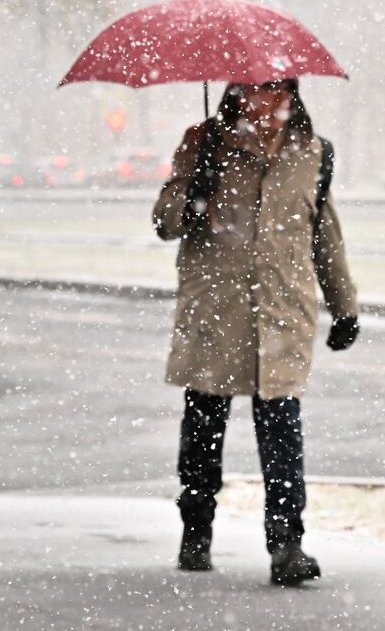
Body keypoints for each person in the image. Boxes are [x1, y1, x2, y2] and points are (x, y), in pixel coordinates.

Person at [152, 77, 359, 586]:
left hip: (283, 314)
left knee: (282, 431)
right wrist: (195, 191)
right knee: (203, 430)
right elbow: (164, 222)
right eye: (253, 91)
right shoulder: (204, 143)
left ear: (292, 95)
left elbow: (324, 236)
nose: (266, 102)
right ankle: (196, 530)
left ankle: (287, 545)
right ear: (235, 94)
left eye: (277, 91)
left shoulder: (313, 154)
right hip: (216, 312)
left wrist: (345, 306)